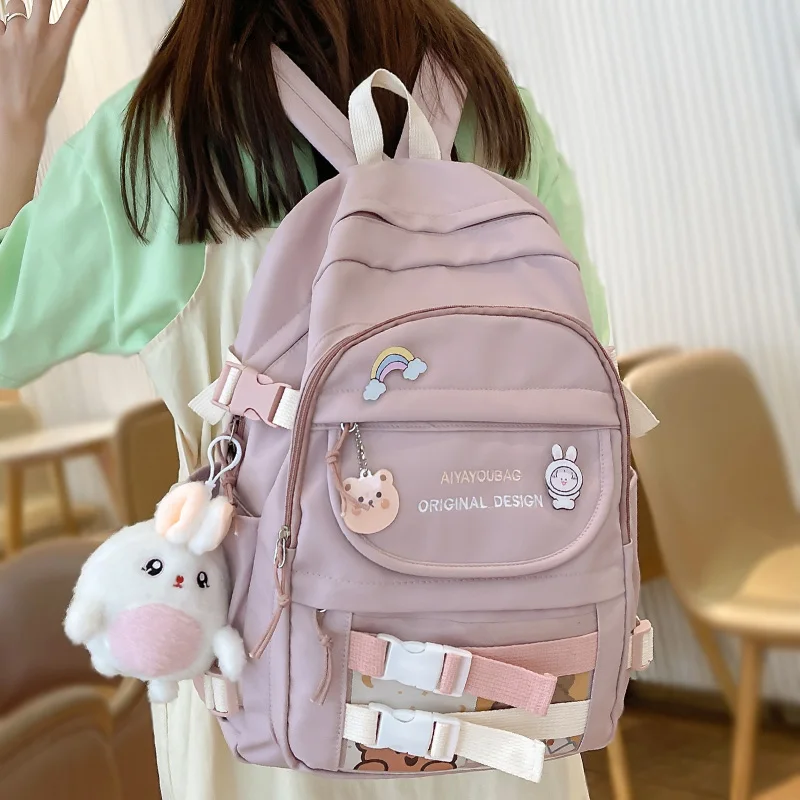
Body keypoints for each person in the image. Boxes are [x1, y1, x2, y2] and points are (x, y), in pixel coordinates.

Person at [0, 1, 610, 798]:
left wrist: (16, 128)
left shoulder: (164, 138)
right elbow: (593, 369)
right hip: (506, 693)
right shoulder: (495, 114)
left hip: (280, 700)